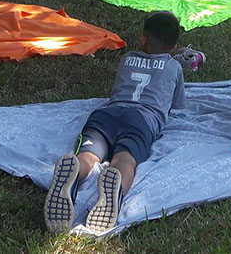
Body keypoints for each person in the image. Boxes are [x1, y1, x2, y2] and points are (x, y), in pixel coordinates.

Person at [44, 12, 186, 235]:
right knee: (126, 158)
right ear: (175, 46)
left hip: (107, 115)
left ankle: (75, 171)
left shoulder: (127, 58)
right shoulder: (174, 67)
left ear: (143, 39)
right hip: (142, 120)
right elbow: (177, 104)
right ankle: (115, 187)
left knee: (89, 155)